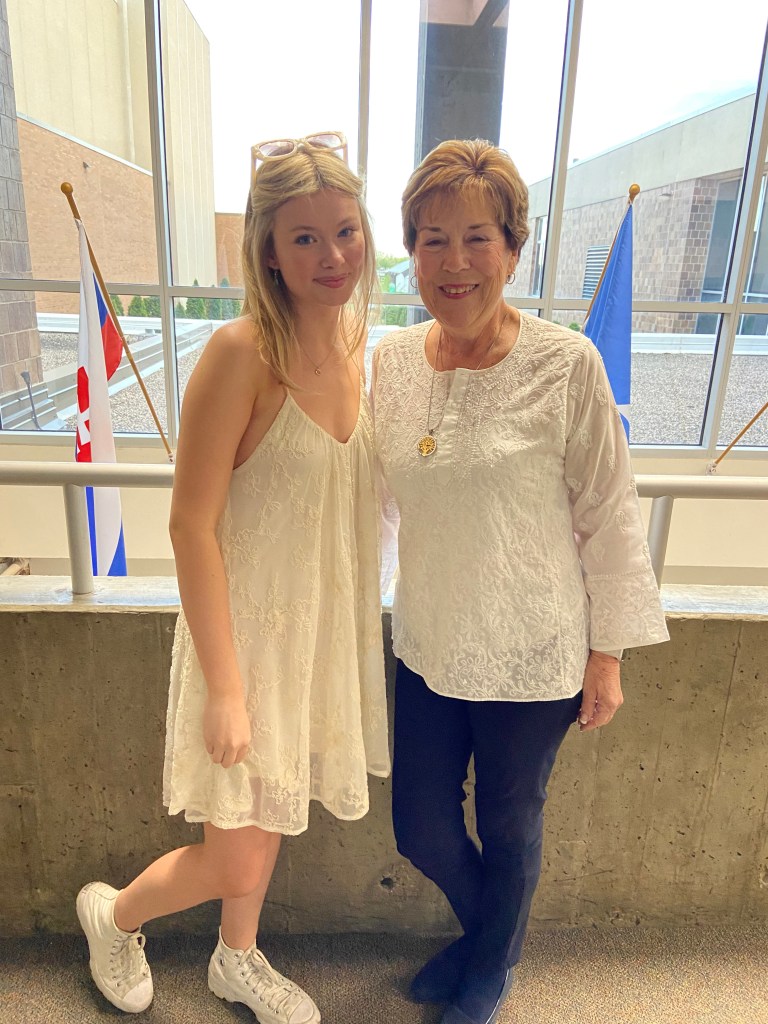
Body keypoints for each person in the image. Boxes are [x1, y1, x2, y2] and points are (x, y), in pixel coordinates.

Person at [76, 132, 389, 1024]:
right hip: (244, 644)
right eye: (304, 238)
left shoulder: (361, 349)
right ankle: (113, 915)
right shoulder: (240, 353)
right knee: (235, 854)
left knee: (273, 817)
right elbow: (189, 526)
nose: (332, 256)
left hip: (315, 640)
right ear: (268, 251)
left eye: (344, 231)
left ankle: (235, 958)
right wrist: (224, 688)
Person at [372, 139, 669, 1024]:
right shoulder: (390, 363)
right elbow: (370, 500)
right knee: (421, 828)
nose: (454, 262)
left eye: (477, 238)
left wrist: (608, 654)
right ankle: (488, 942)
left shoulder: (565, 364)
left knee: (510, 825)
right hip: (428, 639)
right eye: (432, 240)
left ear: (512, 248)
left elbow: (609, 513)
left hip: (534, 649)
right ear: (411, 252)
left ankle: (489, 969)